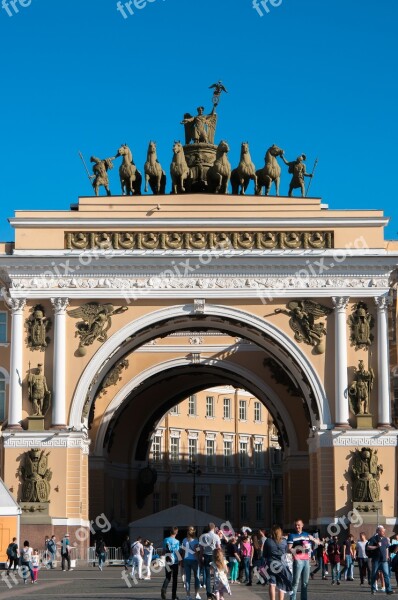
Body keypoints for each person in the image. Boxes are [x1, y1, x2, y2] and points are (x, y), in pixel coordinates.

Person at [263, 525, 293, 600]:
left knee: (272, 584)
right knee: (282, 584)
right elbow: (286, 552)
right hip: (281, 565)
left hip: (271, 564)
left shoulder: (268, 541)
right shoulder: (284, 541)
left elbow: (265, 554)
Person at [287, 519, 314, 600]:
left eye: (298, 525)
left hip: (306, 559)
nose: (297, 526)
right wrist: (299, 549)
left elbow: (310, 546)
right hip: (297, 559)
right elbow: (289, 549)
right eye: (296, 525)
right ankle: (293, 598)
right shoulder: (292, 535)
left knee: (305, 583)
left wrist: (309, 548)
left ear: (302, 525)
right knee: (295, 582)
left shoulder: (306, 535)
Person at [367, 525, 394, 595]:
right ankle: (373, 589)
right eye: (382, 531)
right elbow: (368, 547)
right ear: (378, 531)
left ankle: (388, 590)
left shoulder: (385, 539)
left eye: (384, 531)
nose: (384, 532)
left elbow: (387, 548)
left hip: (384, 560)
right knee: (374, 575)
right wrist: (376, 546)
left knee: (386, 575)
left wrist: (387, 556)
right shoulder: (373, 539)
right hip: (376, 560)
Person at [199, 522, 221, 600]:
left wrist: (201, 557)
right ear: (214, 528)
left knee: (207, 575)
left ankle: (208, 595)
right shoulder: (216, 536)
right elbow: (218, 548)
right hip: (214, 556)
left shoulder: (203, 536)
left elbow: (201, 549)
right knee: (216, 574)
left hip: (206, 555)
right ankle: (214, 591)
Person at [161, 526, 181, 600]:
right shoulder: (177, 542)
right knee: (175, 579)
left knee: (168, 577)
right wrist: (180, 560)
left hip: (167, 560)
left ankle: (164, 588)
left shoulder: (166, 540)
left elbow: (163, 550)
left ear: (170, 532)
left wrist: (161, 557)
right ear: (176, 533)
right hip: (174, 562)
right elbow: (177, 552)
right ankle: (173, 596)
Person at [181, 526, 201, 600]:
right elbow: (197, 551)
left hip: (186, 560)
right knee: (196, 578)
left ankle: (188, 595)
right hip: (194, 560)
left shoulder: (184, 540)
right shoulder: (195, 541)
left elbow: (183, 551)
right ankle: (196, 594)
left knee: (187, 578)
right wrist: (199, 560)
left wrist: (182, 560)